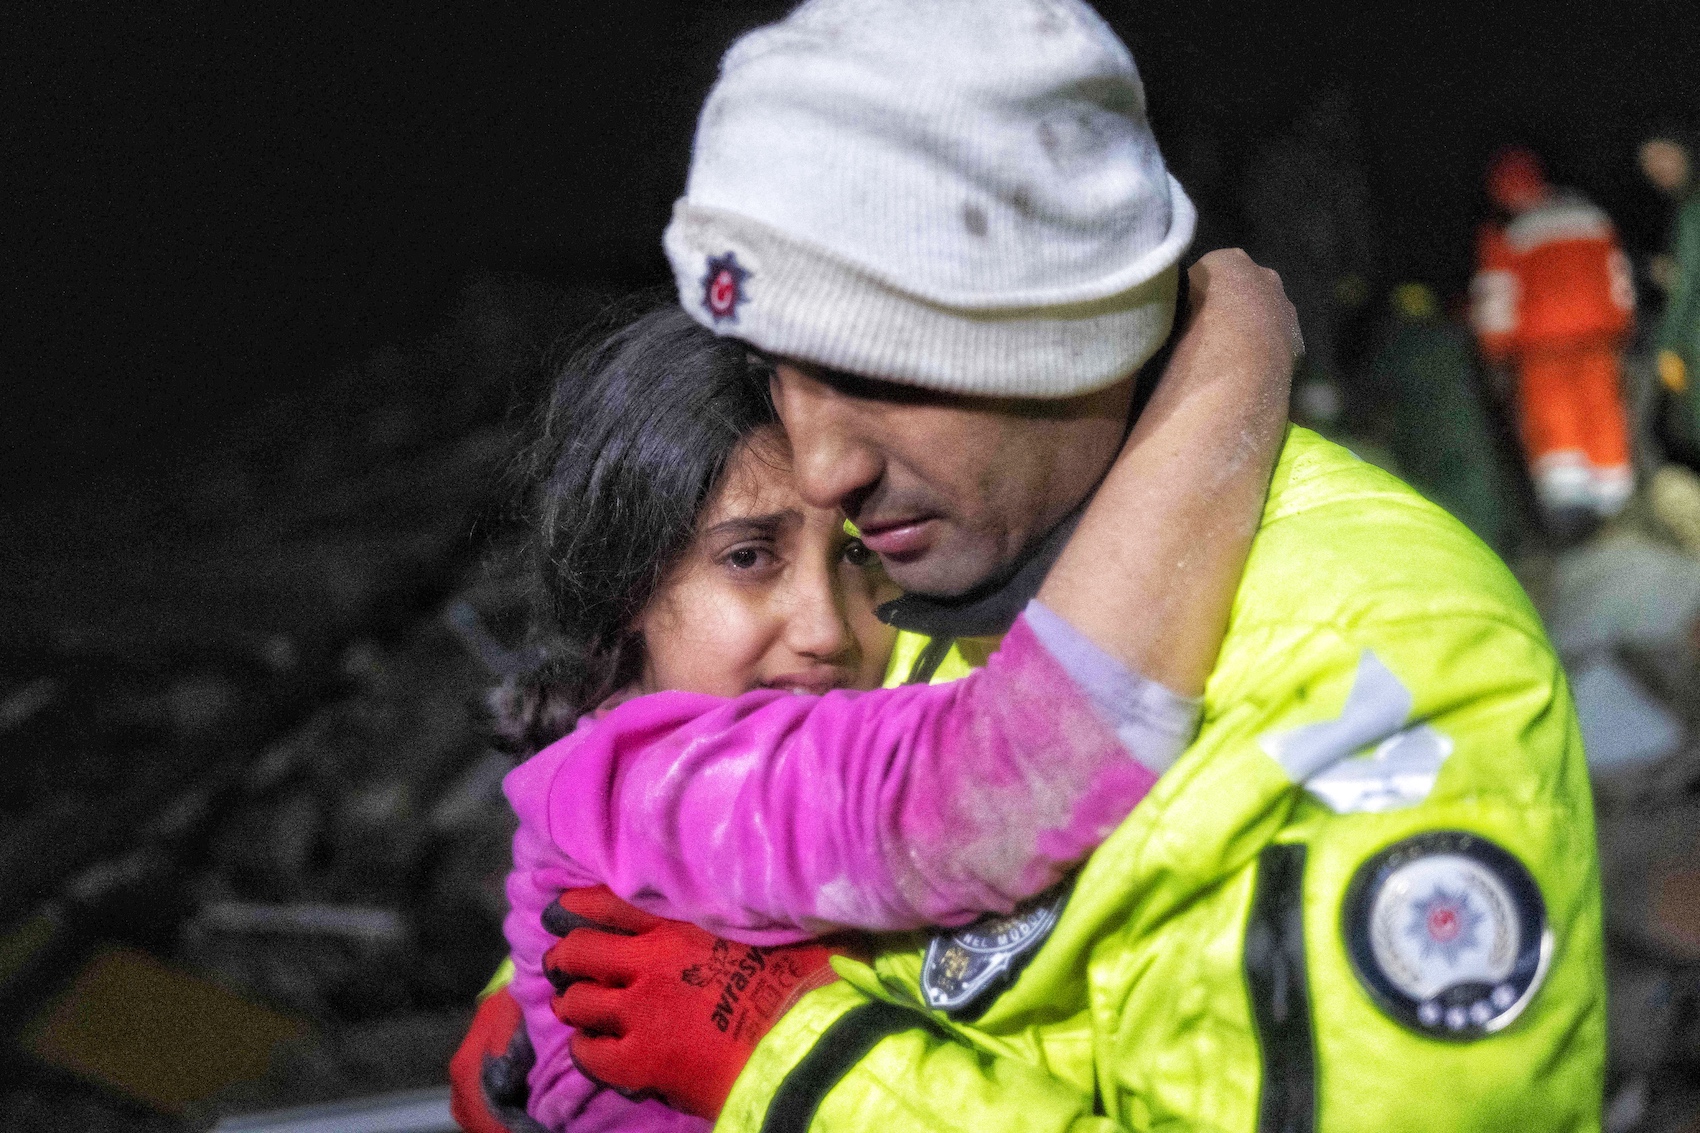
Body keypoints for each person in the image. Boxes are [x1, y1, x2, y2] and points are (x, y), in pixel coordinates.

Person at [479, 2, 1605, 1130]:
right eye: (781, 371)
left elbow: (960, 782)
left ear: (1066, 337)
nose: (824, 474)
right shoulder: (927, 562)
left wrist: (805, 1069)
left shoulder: (1371, 676)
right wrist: (552, 972)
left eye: (881, 372)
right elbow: (738, 801)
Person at [460, 290, 1290, 1133]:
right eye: (749, 557)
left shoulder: (642, 779)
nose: (827, 628)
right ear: (625, 582)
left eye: (861, 556)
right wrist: (1229, 360)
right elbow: (1003, 778)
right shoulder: (661, 779)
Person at [1470, 145, 1636, 536]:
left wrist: (1493, 350)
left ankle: (1571, 524)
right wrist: (1623, 325)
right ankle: (1618, 510)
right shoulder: (1592, 216)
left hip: (1541, 351)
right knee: (1605, 421)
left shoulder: (1507, 232)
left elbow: (1497, 297)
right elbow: (1619, 278)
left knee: (1556, 428)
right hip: (1598, 343)